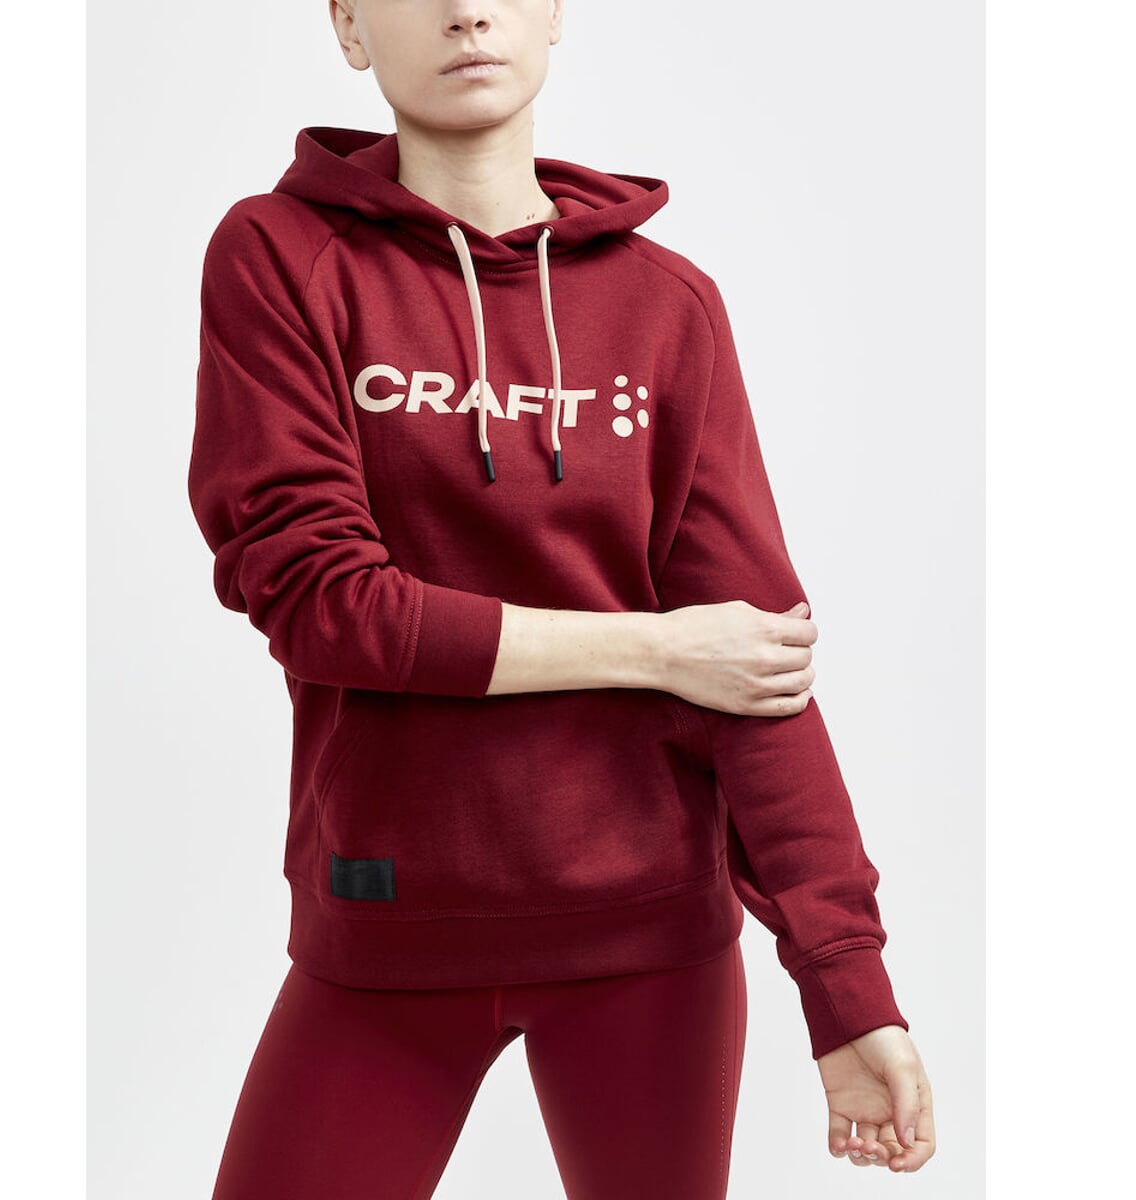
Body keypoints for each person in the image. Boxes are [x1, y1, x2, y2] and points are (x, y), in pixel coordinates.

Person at [187, 1, 937, 1196]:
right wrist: (655, 651)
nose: (466, 11)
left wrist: (848, 986)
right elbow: (322, 602)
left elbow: (755, 662)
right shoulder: (282, 256)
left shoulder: (668, 305)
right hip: (388, 925)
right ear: (349, 26)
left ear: (552, 14)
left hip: (651, 939)